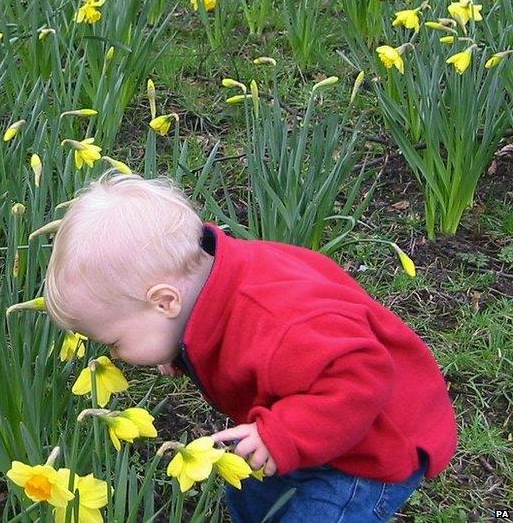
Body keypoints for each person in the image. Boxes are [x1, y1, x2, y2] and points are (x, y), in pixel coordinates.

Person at [43, 173, 457, 522]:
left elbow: (362, 373)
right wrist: (178, 352)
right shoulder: (207, 284)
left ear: (165, 301)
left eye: (116, 341)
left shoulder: (279, 323)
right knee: (249, 494)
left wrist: (284, 434)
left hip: (365, 451)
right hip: (304, 417)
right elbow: (216, 328)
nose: (115, 355)